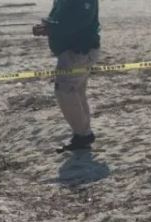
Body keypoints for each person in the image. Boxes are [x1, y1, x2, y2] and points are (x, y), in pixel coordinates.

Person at [33, 0, 100, 152]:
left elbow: (78, 21)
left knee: (64, 92)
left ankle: (83, 134)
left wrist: (50, 29)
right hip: (74, 51)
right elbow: (63, 18)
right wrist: (47, 26)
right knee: (76, 91)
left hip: (78, 51)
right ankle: (83, 134)